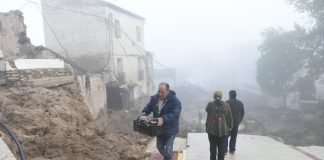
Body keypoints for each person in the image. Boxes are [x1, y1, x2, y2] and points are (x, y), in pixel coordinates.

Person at [142, 83, 182, 160]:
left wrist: (164, 119)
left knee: (168, 150)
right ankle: (168, 157)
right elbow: (149, 106)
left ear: (168, 91)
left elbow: (175, 114)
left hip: (171, 129)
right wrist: (145, 112)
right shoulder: (155, 99)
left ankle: (168, 157)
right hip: (159, 129)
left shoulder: (175, 101)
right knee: (159, 147)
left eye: (162, 92)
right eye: (158, 91)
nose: (159, 94)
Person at [205, 90, 233, 160]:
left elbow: (207, 110)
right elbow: (229, 118)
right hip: (223, 132)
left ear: (213, 96)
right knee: (221, 151)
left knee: (213, 151)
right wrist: (230, 127)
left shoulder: (210, 104)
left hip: (212, 131)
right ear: (221, 97)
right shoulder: (226, 105)